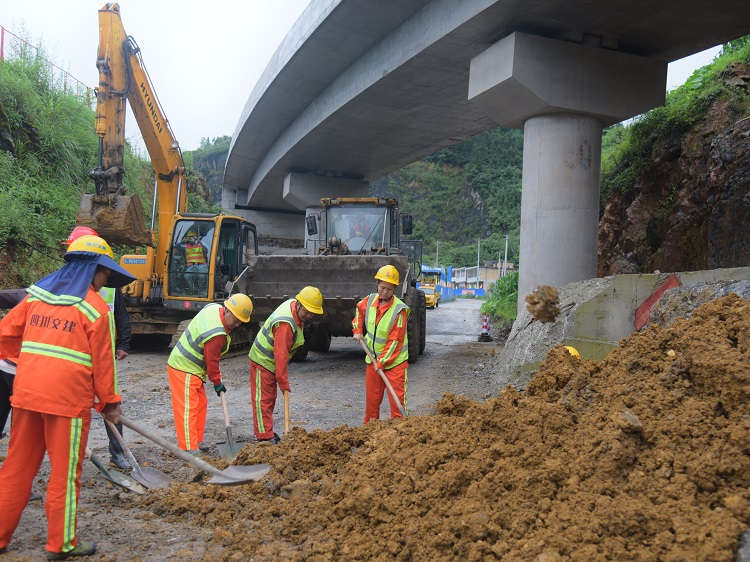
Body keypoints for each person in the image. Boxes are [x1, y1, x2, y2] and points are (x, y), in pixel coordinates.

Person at [0, 234, 135, 559]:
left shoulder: (35, 297)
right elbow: (103, 367)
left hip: (27, 393)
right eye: (104, 273)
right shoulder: (95, 309)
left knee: (16, 468)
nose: (105, 281)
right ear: (92, 269)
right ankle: (61, 544)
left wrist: (35, 363)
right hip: (67, 404)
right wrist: (110, 404)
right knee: (64, 472)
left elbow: (4, 334)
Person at [63, 227, 133, 470]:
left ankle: (118, 453)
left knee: (109, 400)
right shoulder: (62, 283)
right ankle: (70, 454)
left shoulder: (109, 286)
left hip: (103, 350)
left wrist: (123, 343)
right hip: (75, 356)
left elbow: (121, 315)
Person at [166, 293, 253, 455]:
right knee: (188, 409)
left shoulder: (214, 307)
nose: (237, 323)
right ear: (227, 310)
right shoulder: (217, 334)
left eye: (241, 321)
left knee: (200, 404)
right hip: (183, 367)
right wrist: (218, 382)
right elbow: (212, 364)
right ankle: (188, 449)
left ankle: (196, 441)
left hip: (193, 369)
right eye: (235, 318)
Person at [248, 286, 324, 444]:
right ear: (298, 303)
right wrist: (283, 381)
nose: (309, 315)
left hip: (270, 361)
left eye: (312, 312)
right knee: (263, 399)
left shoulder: (293, 307)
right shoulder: (285, 324)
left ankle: (267, 431)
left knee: (270, 398)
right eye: (307, 311)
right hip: (263, 360)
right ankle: (264, 437)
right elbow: (280, 356)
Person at [352, 265, 410, 423]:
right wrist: (357, 329)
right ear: (377, 284)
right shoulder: (370, 300)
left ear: (394, 290)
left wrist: (382, 362)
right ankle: (369, 435)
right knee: (372, 403)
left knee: (398, 406)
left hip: (395, 365)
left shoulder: (399, 310)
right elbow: (359, 310)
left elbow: (395, 342)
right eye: (382, 287)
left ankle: (400, 436)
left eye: (389, 289)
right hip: (373, 361)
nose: (384, 292)